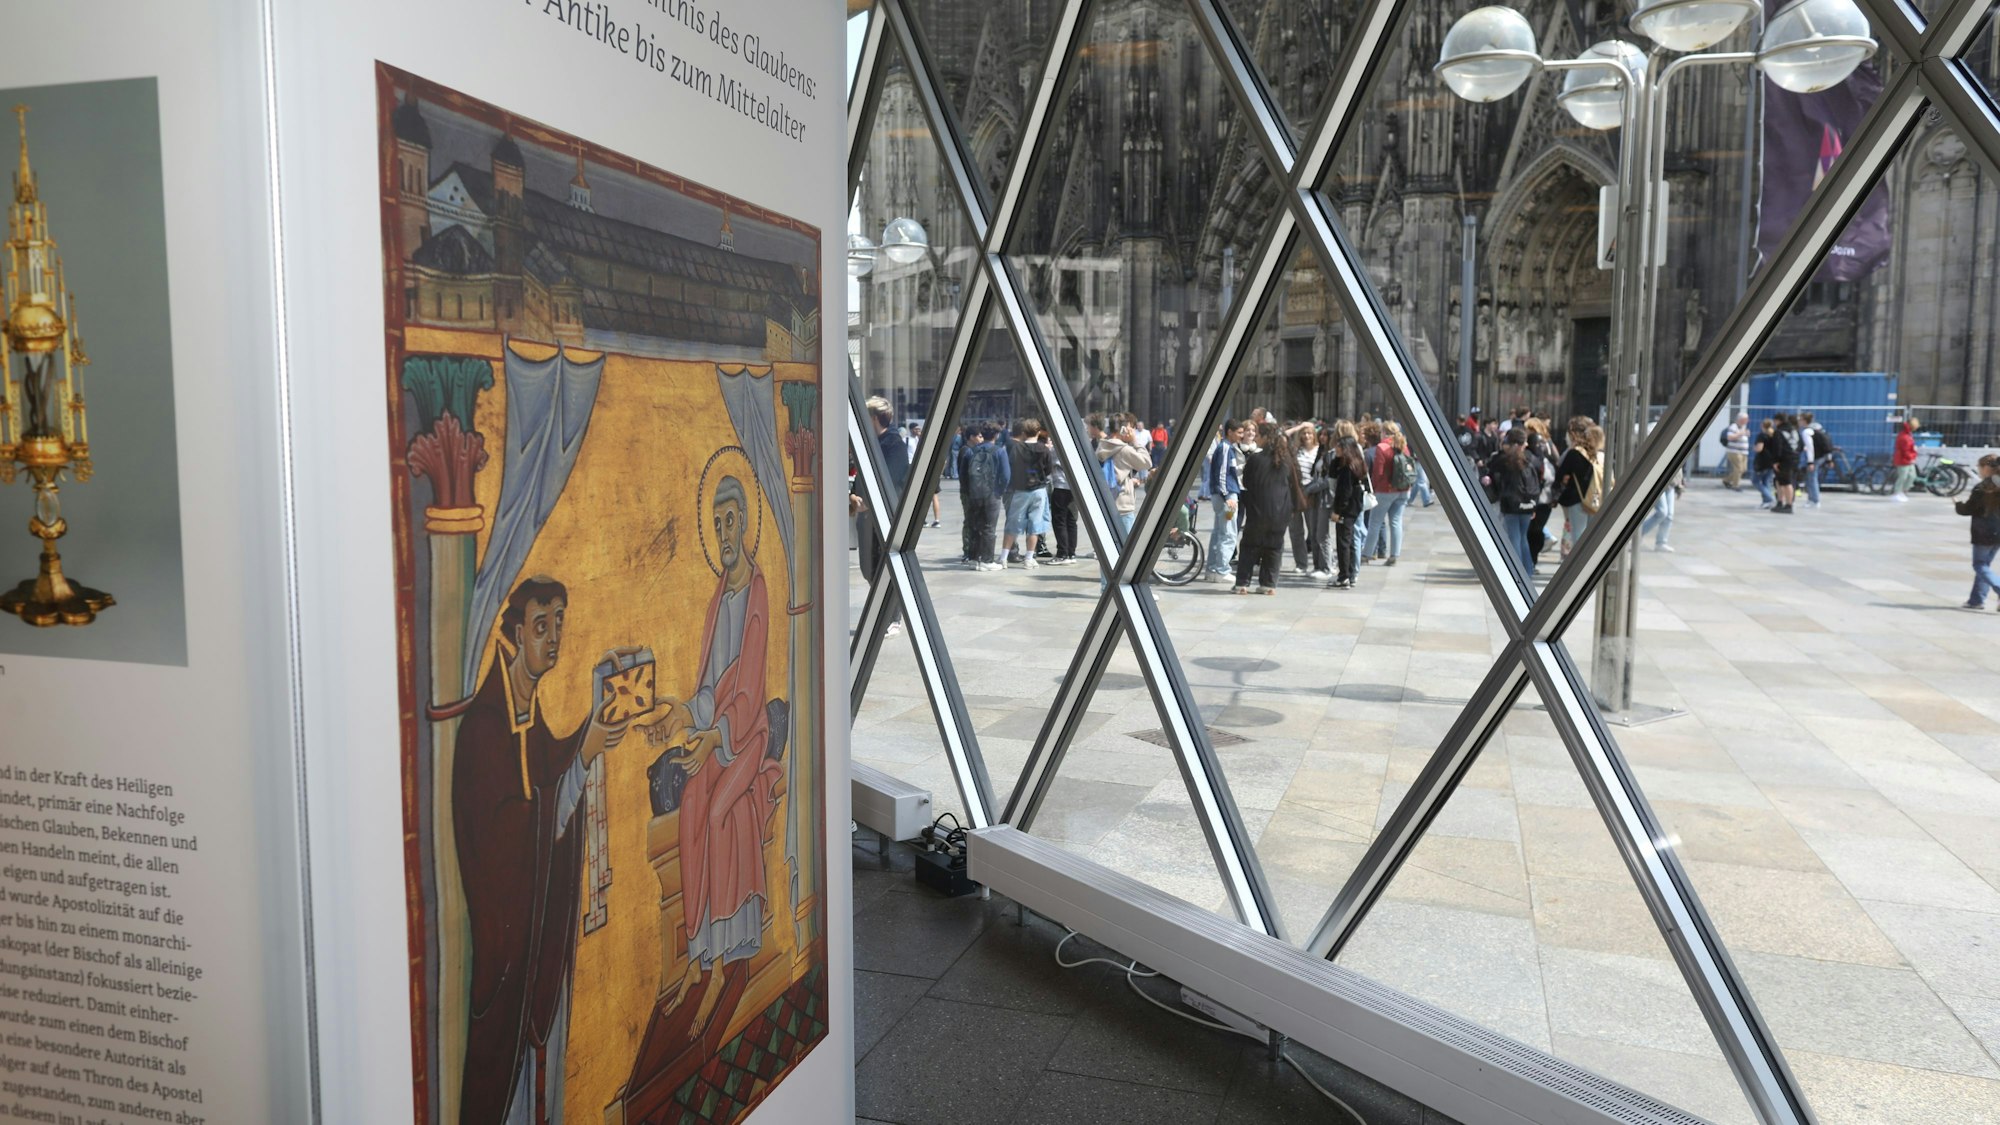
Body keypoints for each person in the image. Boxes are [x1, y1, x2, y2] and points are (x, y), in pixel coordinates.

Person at [454, 577, 636, 1123]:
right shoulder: (486, 728)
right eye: (541, 626)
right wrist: (583, 755)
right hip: (507, 967)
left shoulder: (526, 717)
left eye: (559, 622)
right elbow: (513, 838)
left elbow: (549, 775)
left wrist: (593, 722)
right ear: (514, 636)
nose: (553, 637)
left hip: (537, 952)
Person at [1234, 422, 1307, 594]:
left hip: (1258, 511)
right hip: (1281, 512)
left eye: (1259, 435)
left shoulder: (1255, 459)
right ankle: (1268, 585)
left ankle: (1242, 584)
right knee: (1274, 547)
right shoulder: (1286, 460)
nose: (1257, 438)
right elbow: (1295, 483)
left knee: (1249, 545)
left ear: (1266, 437)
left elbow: (1246, 482)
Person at [1489, 429, 1541, 577]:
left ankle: (1516, 573)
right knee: (1523, 538)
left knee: (1514, 538)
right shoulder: (1530, 459)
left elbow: (1492, 471)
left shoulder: (1504, 461)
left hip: (1510, 504)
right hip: (1528, 504)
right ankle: (1527, 571)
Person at [1001, 418, 1052, 569]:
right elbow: (1048, 469)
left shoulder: (1016, 448)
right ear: (1038, 432)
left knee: (1013, 523)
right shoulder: (1044, 449)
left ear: (1023, 432)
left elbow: (1011, 466)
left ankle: (1003, 557)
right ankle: (1029, 558)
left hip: (1020, 490)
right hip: (1039, 490)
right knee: (1035, 525)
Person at [1364, 423, 1415, 565]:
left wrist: (1373, 488)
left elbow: (1378, 472)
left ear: (1385, 433)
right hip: (1403, 489)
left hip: (1385, 490)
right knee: (1396, 521)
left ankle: (1367, 554)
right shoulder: (1404, 446)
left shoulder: (1382, 447)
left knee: (1375, 522)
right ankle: (1394, 555)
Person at [1954, 452, 2000, 611]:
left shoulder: (1983, 487)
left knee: (1980, 565)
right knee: (1985, 565)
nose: (1979, 470)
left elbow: (1968, 509)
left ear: (1986, 468)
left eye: (1979, 467)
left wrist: (1958, 504)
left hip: (1984, 532)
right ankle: (1977, 600)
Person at [959, 424, 1009, 570]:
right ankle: (987, 560)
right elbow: (1006, 475)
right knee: (989, 528)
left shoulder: (970, 451)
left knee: (974, 526)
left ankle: (973, 559)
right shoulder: (999, 451)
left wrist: (969, 491)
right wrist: (1000, 491)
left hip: (974, 493)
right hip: (992, 493)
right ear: (996, 435)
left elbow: (962, 474)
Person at [1201, 419, 1244, 582]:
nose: (1241, 436)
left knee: (1219, 532)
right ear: (1230, 432)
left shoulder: (1225, 447)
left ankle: (1212, 569)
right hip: (1227, 495)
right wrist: (1227, 496)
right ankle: (1222, 569)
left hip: (1221, 494)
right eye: (1239, 432)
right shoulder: (1226, 448)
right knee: (1229, 533)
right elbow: (1222, 474)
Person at [1324, 434, 1368, 589]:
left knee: (1343, 542)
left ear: (1346, 449)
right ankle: (1350, 574)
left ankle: (1344, 576)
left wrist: (1338, 511)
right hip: (1354, 507)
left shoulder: (1347, 469)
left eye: (1339, 446)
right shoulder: (1356, 463)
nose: (1336, 448)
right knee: (1349, 541)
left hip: (1346, 509)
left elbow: (1344, 492)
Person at [1097, 416, 1153, 535]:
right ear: (1122, 429)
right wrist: (1134, 440)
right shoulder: (1124, 449)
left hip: (1105, 503)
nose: (1130, 431)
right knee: (1126, 544)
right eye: (1128, 428)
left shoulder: (1102, 445)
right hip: (1123, 505)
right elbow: (1147, 463)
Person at [1289, 424, 1330, 577]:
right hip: (1296, 492)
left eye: (1309, 433)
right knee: (1295, 530)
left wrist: (1311, 488)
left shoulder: (1319, 451)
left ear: (1314, 435)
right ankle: (1301, 563)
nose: (1306, 436)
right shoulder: (1296, 451)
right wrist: (1297, 427)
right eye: (1304, 433)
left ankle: (1320, 564)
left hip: (1312, 492)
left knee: (1314, 530)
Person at [1554, 417, 1599, 555]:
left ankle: (1581, 565)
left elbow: (1559, 475)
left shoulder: (1574, 453)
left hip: (1577, 499)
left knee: (1578, 537)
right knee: (1592, 538)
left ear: (1572, 433)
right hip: (1595, 497)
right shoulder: (1596, 451)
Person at [1524, 418, 1559, 560]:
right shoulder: (1544, 444)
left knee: (1534, 531)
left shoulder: (1543, 447)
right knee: (1533, 531)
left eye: (1528, 430)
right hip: (1540, 495)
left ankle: (1531, 559)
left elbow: (1555, 464)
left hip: (1542, 494)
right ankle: (1530, 560)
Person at [1640, 468, 1684, 551]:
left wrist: (1679, 483)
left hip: (1671, 483)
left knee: (1669, 515)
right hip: (1658, 481)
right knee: (1662, 512)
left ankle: (1661, 543)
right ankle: (1637, 534)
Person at [1047, 449, 1078, 565]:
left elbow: (1050, 464)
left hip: (1061, 486)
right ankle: (1071, 553)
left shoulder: (1057, 449)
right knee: (1071, 520)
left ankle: (1062, 554)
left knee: (1059, 520)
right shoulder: (1076, 448)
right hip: (1074, 488)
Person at [1770, 413, 1800, 514]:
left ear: (1778, 420)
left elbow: (1777, 447)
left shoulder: (1779, 432)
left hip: (1784, 460)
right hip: (1794, 459)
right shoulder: (1794, 430)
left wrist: (1775, 461)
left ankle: (1788, 505)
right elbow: (1801, 444)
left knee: (1786, 483)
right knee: (1780, 481)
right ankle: (1781, 502)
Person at [1798, 411, 1825, 508]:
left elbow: (1810, 447)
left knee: (1812, 478)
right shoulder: (1817, 428)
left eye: (1800, 420)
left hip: (1814, 458)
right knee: (1810, 478)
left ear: (1805, 421)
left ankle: (1815, 500)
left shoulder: (1806, 432)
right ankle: (1811, 499)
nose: (1799, 422)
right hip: (1820, 456)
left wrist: (1810, 462)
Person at [1751, 417, 1779, 507]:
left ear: (1762, 425)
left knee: (1755, 481)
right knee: (1766, 482)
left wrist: (1754, 448)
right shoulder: (1774, 435)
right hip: (1771, 462)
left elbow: (1759, 448)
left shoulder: (1762, 435)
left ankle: (1770, 498)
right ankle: (1766, 502)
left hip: (1762, 462)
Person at [1891, 417, 1919, 502]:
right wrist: (1912, 456)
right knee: (1902, 477)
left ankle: (1903, 492)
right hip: (1903, 460)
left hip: (1907, 459)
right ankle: (1897, 493)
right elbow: (1905, 450)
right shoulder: (1904, 436)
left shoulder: (1907, 434)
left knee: (1912, 476)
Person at [1723, 412, 1750, 490]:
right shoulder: (1733, 426)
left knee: (1743, 469)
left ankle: (1726, 480)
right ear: (1741, 419)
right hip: (1734, 451)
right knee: (1739, 468)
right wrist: (1741, 433)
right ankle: (1736, 485)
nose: (1748, 420)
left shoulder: (1743, 427)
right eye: (1746, 419)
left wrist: (1746, 434)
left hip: (1743, 452)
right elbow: (1729, 437)